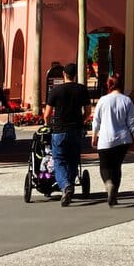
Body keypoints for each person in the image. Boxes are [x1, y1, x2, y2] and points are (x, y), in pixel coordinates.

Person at [43, 62, 92, 207]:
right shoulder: (82, 90)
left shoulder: (56, 91)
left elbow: (47, 114)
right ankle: (69, 184)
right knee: (73, 159)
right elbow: (88, 111)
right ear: (75, 75)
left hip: (59, 130)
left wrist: (48, 125)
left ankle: (65, 185)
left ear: (64, 74)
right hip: (76, 130)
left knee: (59, 159)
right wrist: (81, 120)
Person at [90, 74, 134, 207]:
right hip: (123, 139)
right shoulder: (127, 101)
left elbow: (96, 120)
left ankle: (108, 184)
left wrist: (94, 135)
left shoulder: (103, 100)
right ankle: (114, 195)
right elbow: (132, 122)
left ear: (109, 85)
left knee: (105, 166)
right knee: (117, 167)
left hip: (106, 139)